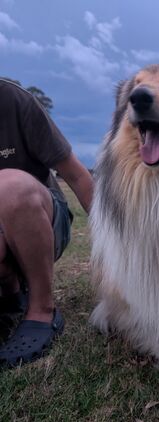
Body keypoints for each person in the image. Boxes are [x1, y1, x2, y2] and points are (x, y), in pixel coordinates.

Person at [0, 78, 93, 367]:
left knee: (10, 186)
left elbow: (78, 176)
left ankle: (42, 308)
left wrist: (117, 244)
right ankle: (12, 292)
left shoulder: (14, 101)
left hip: (42, 217)